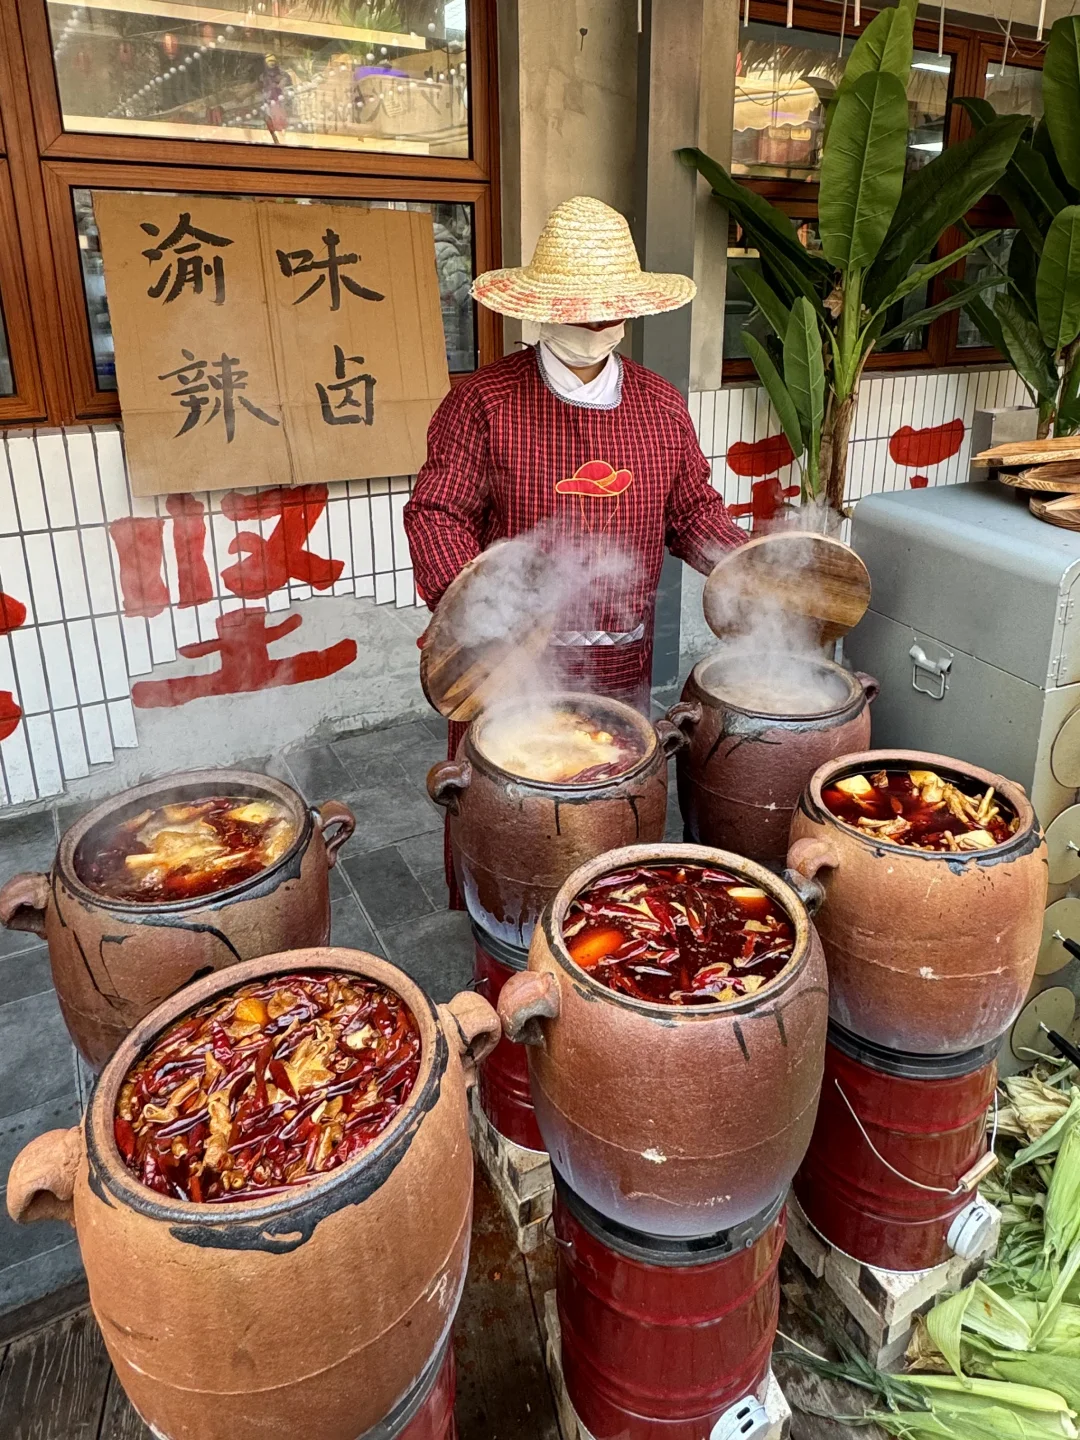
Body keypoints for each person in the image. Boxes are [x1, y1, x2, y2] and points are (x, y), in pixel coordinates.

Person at [403, 194, 746, 906]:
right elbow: (438, 511)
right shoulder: (484, 402)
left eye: (608, 303)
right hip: (508, 666)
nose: (594, 318)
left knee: (606, 817)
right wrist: (478, 616)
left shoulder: (660, 405)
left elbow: (693, 511)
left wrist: (751, 572)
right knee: (512, 823)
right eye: (578, 302)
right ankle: (502, 920)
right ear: (542, 307)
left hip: (620, 656)